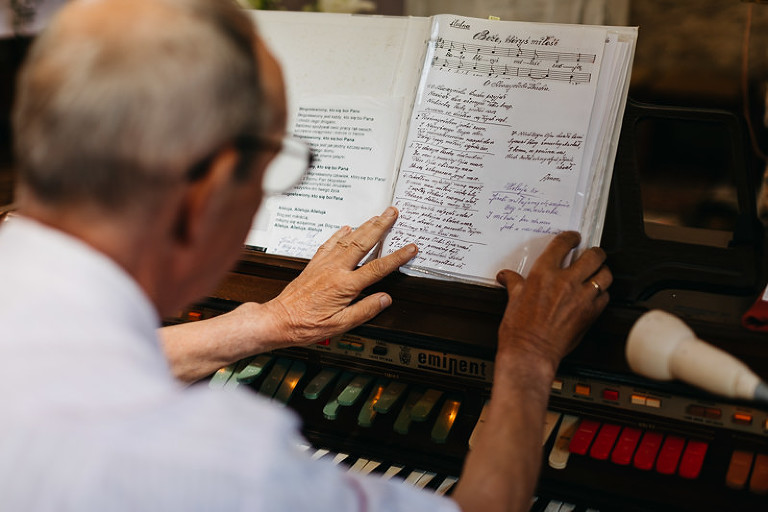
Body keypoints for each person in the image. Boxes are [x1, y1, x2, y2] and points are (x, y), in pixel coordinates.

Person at [0, 0, 612, 510]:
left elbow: (69, 367)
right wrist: (529, 358)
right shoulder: (217, 465)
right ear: (211, 191)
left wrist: (269, 321)